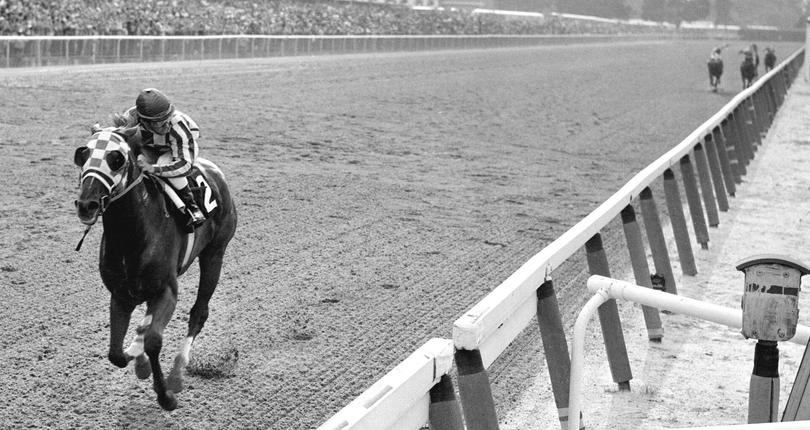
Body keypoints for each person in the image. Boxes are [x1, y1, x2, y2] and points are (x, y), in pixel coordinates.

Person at [117, 88, 206, 227]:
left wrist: (153, 169)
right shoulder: (130, 119)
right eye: (159, 121)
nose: (166, 123)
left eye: (167, 117)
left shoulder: (177, 125)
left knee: (163, 161)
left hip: (176, 147)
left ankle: (192, 207)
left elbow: (184, 165)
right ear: (144, 121)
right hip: (149, 144)